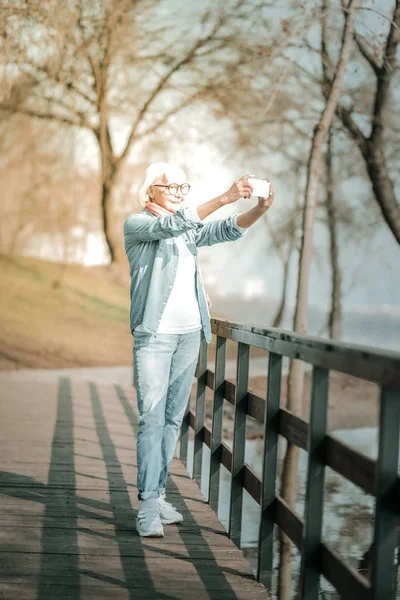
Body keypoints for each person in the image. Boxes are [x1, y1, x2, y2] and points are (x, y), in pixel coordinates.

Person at [124, 162, 275, 537]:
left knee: (173, 419)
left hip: (190, 334)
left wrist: (256, 209)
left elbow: (224, 230)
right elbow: (171, 225)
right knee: (152, 419)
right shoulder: (138, 225)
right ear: (151, 192)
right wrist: (226, 196)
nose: (178, 191)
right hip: (155, 335)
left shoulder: (188, 230)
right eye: (170, 186)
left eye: (182, 187)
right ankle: (146, 506)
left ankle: (158, 495)